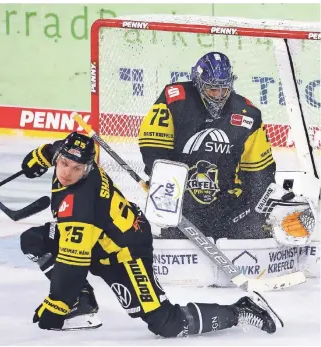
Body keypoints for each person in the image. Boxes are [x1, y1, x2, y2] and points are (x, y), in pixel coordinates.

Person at [19, 131, 282, 336]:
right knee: (32, 240)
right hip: (100, 237)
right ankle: (82, 303)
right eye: (64, 163)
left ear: (89, 168)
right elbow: (56, 149)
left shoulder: (80, 206)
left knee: (165, 323)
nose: (67, 172)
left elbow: (72, 265)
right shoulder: (71, 158)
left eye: (77, 169)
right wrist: (38, 157)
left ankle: (242, 309)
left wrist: (58, 305)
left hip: (126, 250)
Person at [139, 52, 277, 240]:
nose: (219, 96)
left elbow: (259, 171)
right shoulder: (174, 99)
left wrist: (258, 209)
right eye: (213, 89)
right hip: (182, 203)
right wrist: (163, 186)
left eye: (224, 89)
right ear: (198, 83)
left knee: (252, 229)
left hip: (227, 203)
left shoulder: (248, 114)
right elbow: (153, 146)